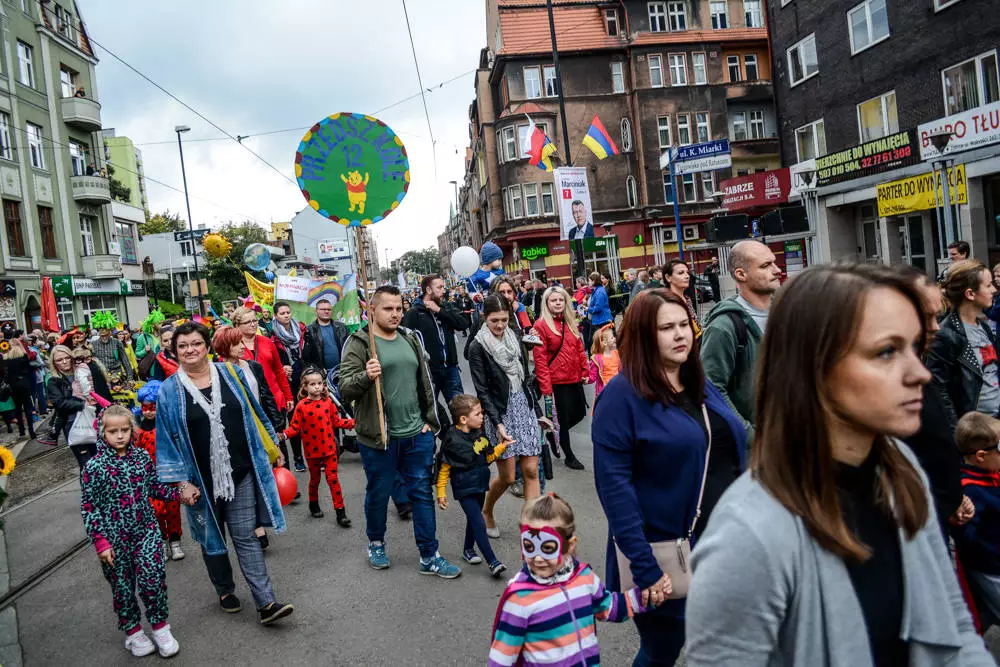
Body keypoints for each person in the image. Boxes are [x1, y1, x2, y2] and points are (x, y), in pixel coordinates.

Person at [685, 264, 991, 667]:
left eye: (915, 348)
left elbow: (952, 630)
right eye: (886, 352)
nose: (919, 373)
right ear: (816, 368)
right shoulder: (749, 533)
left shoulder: (902, 472)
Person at [592, 289, 748, 666]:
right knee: (662, 651)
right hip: (668, 555)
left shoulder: (697, 381)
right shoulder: (620, 397)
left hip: (726, 544)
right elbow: (616, 492)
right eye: (667, 328)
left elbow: (733, 443)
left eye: (684, 325)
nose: (681, 334)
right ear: (645, 334)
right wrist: (645, 569)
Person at [154, 322, 294, 625]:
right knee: (212, 538)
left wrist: (273, 447)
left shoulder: (231, 374)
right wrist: (181, 483)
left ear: (207, 346)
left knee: (246, 536)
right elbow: (165, 440)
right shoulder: (169, 390)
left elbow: (255, 413)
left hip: (240, 471)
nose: (190, 350)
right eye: (182, 346)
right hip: (199, 482)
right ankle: (224, 588)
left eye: (196, 343)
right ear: (174, 350)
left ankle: (266, 602)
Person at [340, 285, 461, 578]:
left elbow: (425, 381)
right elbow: (345, 387)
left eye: (398, 308)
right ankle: (376, 543)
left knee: (421, 493)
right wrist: (365, 376)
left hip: (416, 434)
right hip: (379, 436)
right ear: (372, 311)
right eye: (387, 309)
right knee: (379, 493)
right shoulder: (360, 342)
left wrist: (429, 422)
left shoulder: (410, 338)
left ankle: (429, 554)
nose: (395, 314)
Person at [488, 494, 649, 667]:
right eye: (529, 547)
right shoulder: (519, 599)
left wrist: (646, 596)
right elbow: (502, 657)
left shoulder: (585, 579)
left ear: (570, 545)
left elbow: (609, 607)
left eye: (548, 548)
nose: (538, 558)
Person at [80, 405, 187, 658]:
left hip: (146, 533)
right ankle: (134, 632)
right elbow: (89, 507)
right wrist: (101, 542)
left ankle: (161, 627)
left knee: (153, 580)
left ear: (132, 430)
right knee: (123, 588)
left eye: (125, 430)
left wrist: (181, 494)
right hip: (114, 541)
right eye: (113, 431)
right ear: (102, 433)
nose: (119, 436)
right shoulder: (94, 467)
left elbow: (156, 488)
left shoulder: (141, 458)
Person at [471, 294, 543, 535]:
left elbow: (526, 376)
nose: (500, 325)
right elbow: (482, 390)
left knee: (531, 470)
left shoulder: (516, 337)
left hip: (524, 406)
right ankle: (487, 510)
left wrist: (538, 409)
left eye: (503, 319)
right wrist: (497, 422)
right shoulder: (477, 347)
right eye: (494, 321)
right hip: (499, 412)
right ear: (485, 317)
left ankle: (531, 529)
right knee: (509, 476)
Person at [699, 240, 782, 437]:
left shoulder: (789, 312)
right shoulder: (724, 326)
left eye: (774, 262)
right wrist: (749, 436)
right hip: (758, 451)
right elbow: (712, 389)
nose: (777, 270)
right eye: (765, 265)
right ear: (740, 274)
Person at [435, 394, 509, 577]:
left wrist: (501, 447)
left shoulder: (479, 434)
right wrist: (441, 492)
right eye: (478, 413)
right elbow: (444, 468)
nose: (482, 416)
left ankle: (468, 550)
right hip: (464, 488)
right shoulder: (451, 440)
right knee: (478, 520)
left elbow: (487, 458)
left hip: (480, 484)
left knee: (472, 520)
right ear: (463, 419)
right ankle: (493, 561)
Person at [928, 260, 1000, 436]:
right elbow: (938, 389)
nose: (994, 290)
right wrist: (959, 435)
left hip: (994, 425)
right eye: (988, 285)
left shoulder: (982, 327)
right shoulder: (947, 335)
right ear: (970, 294)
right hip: (975, 434)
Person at [280, 367, 354, 527]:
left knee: (333, 480)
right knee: (315, 479)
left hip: (329, 449)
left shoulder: (328, 403)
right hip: (312, 451)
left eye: (320, 383)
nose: (317, 387)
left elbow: (337, 422)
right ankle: (313, 504)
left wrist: (353, 423)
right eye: (313, 384)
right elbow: (294, 428)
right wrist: (283, 435)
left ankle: (340, 512)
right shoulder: (301, 406)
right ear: (305, 387)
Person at [534, 286, 589, 471]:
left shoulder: (570, 321)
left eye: (561, 300)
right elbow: (540, 360)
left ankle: (552, 433)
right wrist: (546, 388)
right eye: (553, 300)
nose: (558, 303)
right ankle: (569, 455)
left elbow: (579, 349)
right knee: (563, 421)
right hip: (556, 382)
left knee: (580, 413)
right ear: (546, 303)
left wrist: (585, 370)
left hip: (574, 378)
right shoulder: (541, 325)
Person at [954, 411, 1000, 621]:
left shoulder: (993, 471)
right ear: (981, 456)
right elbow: (967, 540)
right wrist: (962, 519)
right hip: (992, 570)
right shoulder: (969, 492)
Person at [402, 274, 469, 416]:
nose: (443, 290)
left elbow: (463, 323)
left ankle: (463, 438)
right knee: (431, 411)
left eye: (443, 287)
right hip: (430, 371)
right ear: (428, 290)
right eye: (439, 287)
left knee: (461, 411)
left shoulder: (446, 306)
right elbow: (408, 343)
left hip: (451, 368)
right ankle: (444, 435)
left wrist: (440, 311)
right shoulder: (414, 313)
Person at [134, 381, 186, 562]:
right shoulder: (138, 429)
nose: (148, 411)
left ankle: (175, 542)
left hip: (169, 474)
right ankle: (161, 542)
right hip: (149, 478)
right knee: (155, 512)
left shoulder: (166, 425)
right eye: (144, 407)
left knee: (172, 510)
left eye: (152, 407)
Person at [233, 307, 294, 419]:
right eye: (247, 322)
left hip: (274, 400)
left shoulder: (267, 342)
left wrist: (288, 396)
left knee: (277, 434)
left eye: (254, 321)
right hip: (250, 402)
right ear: (237, 325)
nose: (253, 324)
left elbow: (279, 371)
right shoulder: (232, 346)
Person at [40, 345, 87, 453]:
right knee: (85, 462)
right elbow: (60, 403)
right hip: (73, 424)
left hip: (93, 419)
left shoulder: (82, 371)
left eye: (67, 358)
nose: (64, 362)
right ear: (54, 363)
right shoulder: (53, 380)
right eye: (59, 360)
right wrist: (83, 404)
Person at [1, 338, 36, 439]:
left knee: (18, 409)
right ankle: (31, 431)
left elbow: (6, 374)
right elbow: (28, 370)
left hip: (13, 386)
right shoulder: (24, 357)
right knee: (28, 407)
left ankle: (21, 431)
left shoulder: (7, 359)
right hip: (24, 384)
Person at [89, 313, 134, 385]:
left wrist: (130, 378)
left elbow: (125, 361)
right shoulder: (93, 344)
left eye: (105, 328)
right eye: (100, 328)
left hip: (117, 376)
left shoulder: (117, 343)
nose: (102, 330)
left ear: (110, 329)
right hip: (101, 377)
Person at [588, 325, 620, 397]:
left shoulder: (616, 353)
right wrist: (587, 379)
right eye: (612, 337)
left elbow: (620, 369)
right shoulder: (597, 359)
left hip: (618, 388)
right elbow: (593, 376)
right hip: (605, 391)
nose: (615, 339)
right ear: (605, 343)